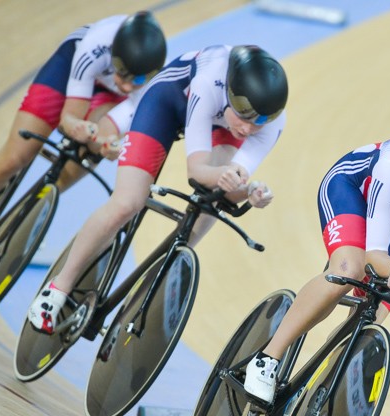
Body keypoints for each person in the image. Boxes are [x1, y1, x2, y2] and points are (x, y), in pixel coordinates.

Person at [26, 44, 289, 334]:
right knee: (127, 202)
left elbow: (232, 183)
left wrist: (249, 192)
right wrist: (224, 176)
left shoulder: (269, 123)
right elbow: (198, 171)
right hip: (168, 101)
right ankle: (58, 288)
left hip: (220, 125)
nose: (251, 128)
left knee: (214, 201)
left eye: (261, 121)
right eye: (245, 115)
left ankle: (156, 282)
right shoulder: (209, 81)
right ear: (229, 91)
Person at [0, 12, 167, 271]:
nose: (126, 85)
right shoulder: (96, 45)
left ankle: (22, 219)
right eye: (121, 72)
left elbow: (107, 133)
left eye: (136, 80)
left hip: (109, 102)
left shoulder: (152, 87)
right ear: (113, 55)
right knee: (13, 158)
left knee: (72, 170)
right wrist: (77, 126)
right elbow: (68, 118)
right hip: (69, 71)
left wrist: (106, 144)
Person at [242, 129, 390, 404]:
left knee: (379, 306)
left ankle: (315, 390)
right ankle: (267, 358)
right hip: (351, 189)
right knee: (347, 272)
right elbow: (374, 257)